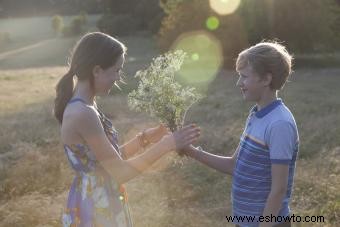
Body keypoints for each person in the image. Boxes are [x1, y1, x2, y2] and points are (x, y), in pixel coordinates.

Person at [54, 32, 200, 227]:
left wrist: (145, 139)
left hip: (101, 200)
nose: (118, 77)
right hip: (96, 209)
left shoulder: (88, 105)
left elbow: (108, 160)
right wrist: (167, 145)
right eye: (116, 70)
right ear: (97, 70)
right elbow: (120, 172)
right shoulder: (82, 112)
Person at [181, 41, 298, 227]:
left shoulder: (280, 124)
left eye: (244, 76)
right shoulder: (256, 114)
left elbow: (279, 189)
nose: (238, 83)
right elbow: (234, 166)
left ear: (266, 79)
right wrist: (191, 151)